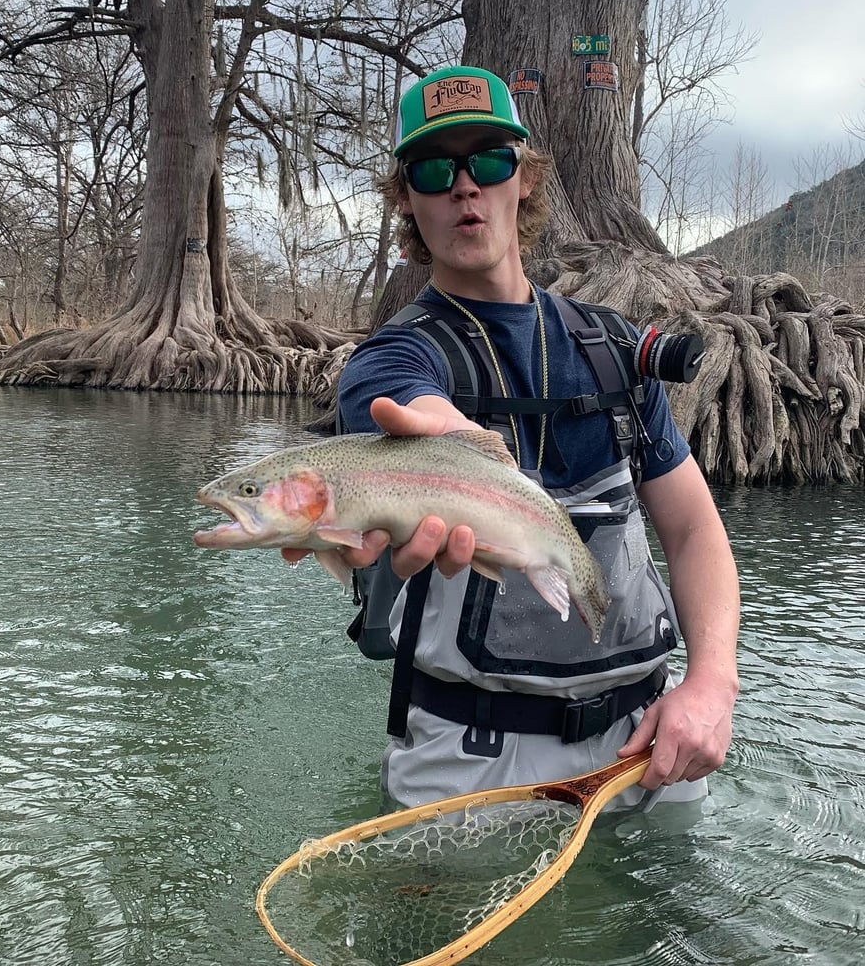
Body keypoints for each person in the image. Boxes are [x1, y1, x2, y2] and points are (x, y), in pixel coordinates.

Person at [286, 65, 740, 811]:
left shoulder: (611, 351)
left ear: (523, 179)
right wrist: (453, 444)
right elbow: (401, 405)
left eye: (489, 161)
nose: (465, 186)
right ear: (406, 198)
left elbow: (694, 529)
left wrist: (711, 683)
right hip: (467, 761)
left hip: (651, 743)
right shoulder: (395, 357)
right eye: (435, 169)